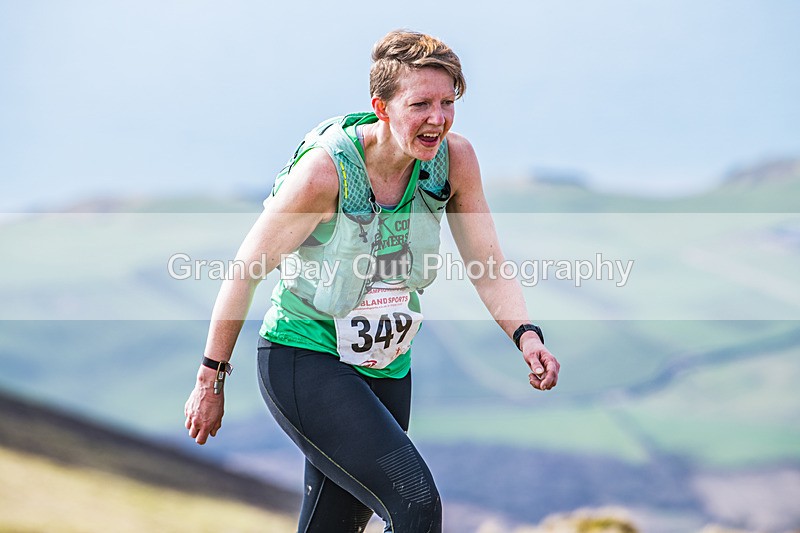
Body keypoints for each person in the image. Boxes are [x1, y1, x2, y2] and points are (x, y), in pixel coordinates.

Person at [184, 29, 560, 533]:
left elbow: (487, 263)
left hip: (387, 366)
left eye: (448, 102)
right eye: (420, 104)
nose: (438, 118)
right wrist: (210, 379)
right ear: (381, 108)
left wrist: (526, 335)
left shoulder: (455, 162)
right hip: (305, 358)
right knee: (417, 505)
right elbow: (245, 270)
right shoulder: (324, 175)